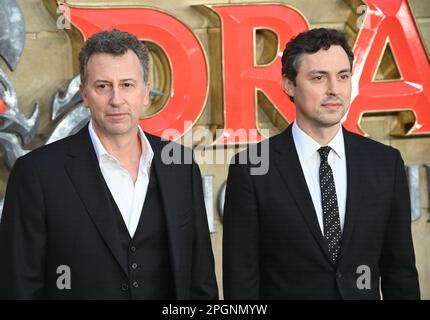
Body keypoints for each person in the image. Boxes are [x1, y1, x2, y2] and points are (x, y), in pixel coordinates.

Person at [0, 29, 218, 299]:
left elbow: (201, 279)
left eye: (127, 85)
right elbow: (19, 285)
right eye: (103, 86)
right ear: (85, 95)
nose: (116, 100)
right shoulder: (36, 173)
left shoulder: (181, 165)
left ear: (146, 93)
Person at [223, 28, 420, 299]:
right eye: (318, 78)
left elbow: (400, 272)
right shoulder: (251, 168)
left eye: (343, 76)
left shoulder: (385, 163)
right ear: (289, 84)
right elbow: (241, 281)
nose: (334, 90)